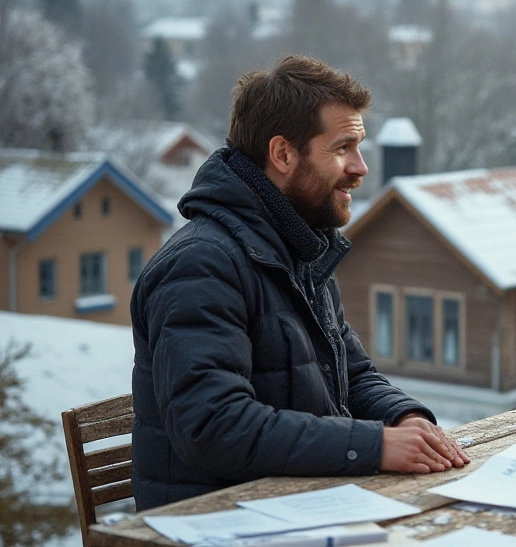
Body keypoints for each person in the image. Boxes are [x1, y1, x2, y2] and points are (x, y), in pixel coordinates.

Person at [131, 55, 469, 509]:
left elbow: (352, 374)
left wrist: (404, 418)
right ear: (283, 154)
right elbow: (214, 426)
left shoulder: (301, 248)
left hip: (300, 507)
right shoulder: (200, 266)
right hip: (217, 524)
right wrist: (375, 445)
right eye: (342, 148)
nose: (361, 167)